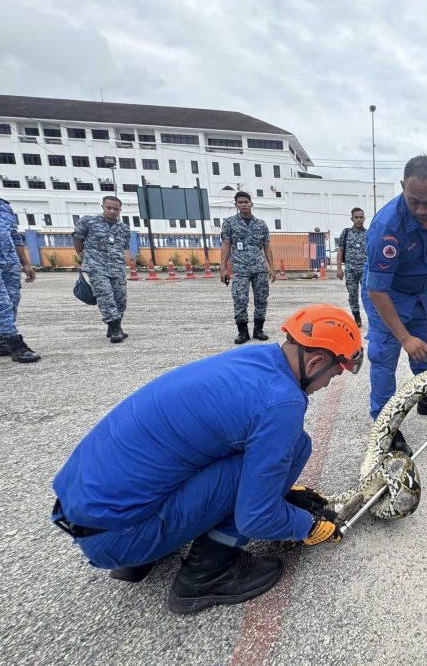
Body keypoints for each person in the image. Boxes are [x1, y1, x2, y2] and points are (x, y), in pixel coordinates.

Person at [51, 305, 363, 614]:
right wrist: (307, 525)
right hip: (120, 537)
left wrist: (280, 492)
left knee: (275, 446)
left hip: (92, 511)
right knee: (294, 447)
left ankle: (142, 558)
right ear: (317, 361)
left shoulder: (256, 360)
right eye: (333, 376)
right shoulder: (281, 402)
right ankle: (207, 573)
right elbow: (256, 517)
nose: (327, 385)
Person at [361, 155, 427, 456]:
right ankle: (384, 423)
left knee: (426, 348)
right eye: (414, 200)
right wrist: (403, 337)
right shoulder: (386, 227)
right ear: (403, 186)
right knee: (384, 355)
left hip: (421, 289)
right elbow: (377, 290)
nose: (421, 209)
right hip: (387, 293)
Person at [0, 164, 39, 362]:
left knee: (12, 301)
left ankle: (1, 342)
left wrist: (25, 264)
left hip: (9, 262)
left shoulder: (4, 206)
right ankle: (15, 344)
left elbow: (15, 236)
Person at [73, 196, 132, 343]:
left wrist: (127, 263)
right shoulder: (88, 222)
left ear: (120, 210)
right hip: (96, 266)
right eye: (109, 207)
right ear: (103, 207)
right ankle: (115, 329)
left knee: (120, 299)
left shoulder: (124, 229)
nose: (112, 211)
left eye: (115, 209)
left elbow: (125, 248)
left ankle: (113, 327)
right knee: (105, 297)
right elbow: (78, 239)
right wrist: (83, 255)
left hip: (117, 268)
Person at [220, 192, 275, 345]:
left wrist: (272, 268)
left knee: (261, 299)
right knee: (240, 299)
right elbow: (226, 245)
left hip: (259, 268)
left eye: (246, 202)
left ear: (251, 204)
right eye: (240, 202)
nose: (243, 205)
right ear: (236, 205)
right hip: (240, 268)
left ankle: (258, 330)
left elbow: (267, 246)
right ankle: (242, 332)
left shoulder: (261, 224)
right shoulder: (230, 223)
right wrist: (223, 268)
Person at [336, 207, 367, 328]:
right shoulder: (346, 232)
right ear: (352, 219)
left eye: (361, 217)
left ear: (364, 218)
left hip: (365, 269)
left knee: (368, 294)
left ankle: (372, 316)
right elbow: (340, 250)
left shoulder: (368, 234)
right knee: (353, 295)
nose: (359, 220)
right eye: (356, 217)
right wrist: (339, 268)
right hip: (350, 269)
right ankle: (357, 316)